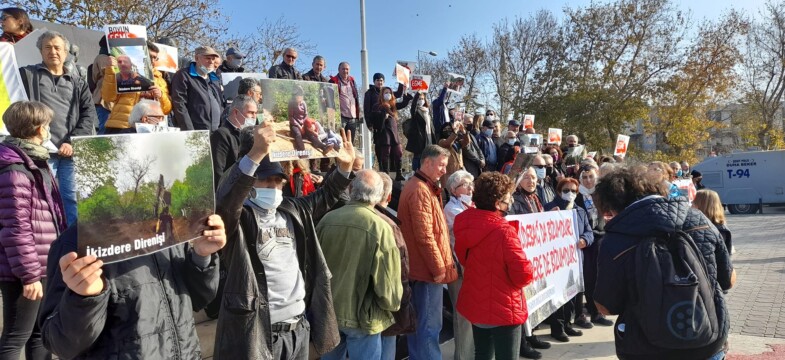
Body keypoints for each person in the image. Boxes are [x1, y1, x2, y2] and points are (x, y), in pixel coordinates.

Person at [213, 124, 356, 359]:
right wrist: (256, 153)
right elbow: (227, 200)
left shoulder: (293, 209)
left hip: (298, 330)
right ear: (251, 185)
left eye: (278, 181)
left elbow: (327, 195)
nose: (273, 187)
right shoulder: (237, 219)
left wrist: (344, 167)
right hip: (257, 334)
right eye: (266, 181)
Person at [593, 165, 736, 360]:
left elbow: (606, 307)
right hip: (708, 340)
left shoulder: (615, 238)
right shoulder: (698, 217)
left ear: (612, 204)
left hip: (645, 348)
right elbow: (728, 280)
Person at [39, 209, 225, 358]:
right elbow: (60, 344)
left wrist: (202, 257)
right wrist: (84, 299)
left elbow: (200, 299)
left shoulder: (168, 227)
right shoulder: (75, 242)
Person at [0, 102, 65, 360]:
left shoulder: (34, 161)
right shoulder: (14, 170)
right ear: (39, 129)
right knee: (16, 337)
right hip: (24, 270)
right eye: (47, 126)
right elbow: (15, 228)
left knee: (40, 333)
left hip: (43, 264)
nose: (49, 130)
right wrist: (28, 276)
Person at [317, 170, 402, 360]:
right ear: (380, 195)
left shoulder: (327, 219)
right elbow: (387, 281)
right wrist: (391, 305)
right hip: (363, 314)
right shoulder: (380, 226)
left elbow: (314, 266)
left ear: (350, 188)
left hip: (330, 311)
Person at [18, 30, 97, 227]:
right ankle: (51, 245)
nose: (53, 51)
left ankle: (71, 243)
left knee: (72, 199)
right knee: (42, 201)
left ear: (66, 52)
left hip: (70, 152)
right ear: (40, 51)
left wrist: (72, 142)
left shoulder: (78, 82)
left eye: (57, 47)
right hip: (41, 152)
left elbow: (89, 116)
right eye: (48, 47)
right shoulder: (27, 75)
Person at [455, 172, 535, 360]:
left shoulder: (464, 222)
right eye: (508, 199)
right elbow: (522, 274)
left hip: (476, 301)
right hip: (504, 306)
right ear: (497, 203)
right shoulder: (504, 231)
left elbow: (463, 258)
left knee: (482, 354)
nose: (511, 202)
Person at [398, 144, 459, 360]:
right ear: (427, 163)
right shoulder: (420, 190)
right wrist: (439, 269)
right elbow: (425, 236)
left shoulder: (423, 187)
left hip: (425, 270)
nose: (444, 170)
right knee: (428, 327)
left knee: (423, 327)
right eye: (441, 165)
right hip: (427, 273)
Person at [508, 166, 552, 359]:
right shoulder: (514, 201)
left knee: (532, 299)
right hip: (521, 256)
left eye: (533, 178)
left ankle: (531, 333)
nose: (531, 181)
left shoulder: (535, 198)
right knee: (521, 300)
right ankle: (521, 344)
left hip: (534, 257)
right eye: (527, 177)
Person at [543, 178, 593, 341]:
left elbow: (589, 231)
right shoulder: (550, 208)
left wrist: (585, 240)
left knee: (572, 294)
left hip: (575, 260)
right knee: (558, 296)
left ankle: (567, 324)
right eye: (566, 190)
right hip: (557, 261)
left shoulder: (580, 210)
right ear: (559, 191)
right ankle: (557, 328)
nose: (569, 193)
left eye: (573, 191)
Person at [375, 173, 416, 360]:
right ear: (389, 197)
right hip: (384, 299)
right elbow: (400, 266)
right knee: (386, 344)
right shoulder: (388, 225)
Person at [574, 165, 614, 327]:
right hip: (583, 242)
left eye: (591, 176)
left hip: (600, 239)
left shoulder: (601, 194)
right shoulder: (575, 196)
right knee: (585, 279)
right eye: (584, 177)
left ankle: (596, 312)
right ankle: (580, 313)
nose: (588, 180)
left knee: (598, 278)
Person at [102, 42, 171, 134]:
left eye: (155, 58)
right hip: (122, 126)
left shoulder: (160, 79)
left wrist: (161, 95)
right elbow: (108, 97)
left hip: (149, 128)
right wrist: (110, 69)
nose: (153, 61)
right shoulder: (124, 73)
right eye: (150, 57)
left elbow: (166, 110)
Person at [443, 170, 476, 360]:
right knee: (463, 315)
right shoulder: (451, 209)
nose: (470, 188)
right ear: (454, 190)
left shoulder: (471, 205)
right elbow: (470, 227)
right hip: (459, 267)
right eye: (466, 184)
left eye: (471, 184)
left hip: (473, 267)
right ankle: (463, 355)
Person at [171, 46, 224, 131]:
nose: (211, 62)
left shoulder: (214, 79)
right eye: (208, 58)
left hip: (216, 132)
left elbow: (220, 105)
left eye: (213, 59)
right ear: (196, 58)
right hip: (195, 132)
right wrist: (190, 132)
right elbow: (179, 105)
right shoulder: (183, 76)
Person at [211, 94, 257, 187]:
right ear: (236, 112)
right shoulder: (221, 135)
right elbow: (217, 172)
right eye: (251, 112)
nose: (254, 117)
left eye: (256, 113)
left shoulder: (249, 134)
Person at [370, 86, 412, 180]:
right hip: (384, 134)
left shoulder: (392, 105)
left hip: (394, 132)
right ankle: (386, 174)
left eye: (389, 92)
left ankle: (399, 173)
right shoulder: (377, 106)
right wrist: (383, 116)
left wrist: (405, 95)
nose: (388, 94)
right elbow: (375, 121)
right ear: (382, 94)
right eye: (386, 93)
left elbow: (403, 104)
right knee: (385, 153)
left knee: (398, 152)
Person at [694, 189, 733, 255]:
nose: (691, 205)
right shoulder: (721, 227)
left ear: (702, 205)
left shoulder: (715, 230)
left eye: (693, 202)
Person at [329, 62, 361, 143]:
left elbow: (355, 97)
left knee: (350, 143)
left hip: (352, 118)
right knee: (339, 142)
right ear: (338, 70)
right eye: (343, 69)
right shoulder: (333, 81)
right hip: (340, 117)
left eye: (347, 69)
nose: (345, 71)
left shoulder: (352, 81)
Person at [405, 92, 437, 171]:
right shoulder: (416, 112)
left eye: (422, 99)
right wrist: (416, 95)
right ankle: (416, 172)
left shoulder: (428, 112)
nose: (421, 100)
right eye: (419, 99)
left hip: (428, 139)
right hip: (419, 140)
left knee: (428, 158)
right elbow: (413, 107)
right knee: (418, 157)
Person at [90, 36, 113, 134]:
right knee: (105, 129)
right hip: (104, 101)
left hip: (115, 101)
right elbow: (107, 72)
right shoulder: (102, 58)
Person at [437, 123, 466, 190]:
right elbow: (448, 143)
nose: (447, 130)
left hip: (459, 170)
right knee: (450, 191)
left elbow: (466, 142)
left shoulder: (457, 142)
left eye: (449, 129)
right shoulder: (441, 142)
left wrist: (464, 132)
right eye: (445, 129)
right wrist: (455, 132)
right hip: (449, 173)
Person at [461, 114, 486, 178]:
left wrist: (482, 159)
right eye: (469, 122)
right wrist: (478, 161)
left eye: (472, 122)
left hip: (477, 170)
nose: (471, 124)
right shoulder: (460, 136)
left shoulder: (471, 135)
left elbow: (478, 149)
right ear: (463, 122)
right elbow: (466, 150)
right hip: (469, 169)